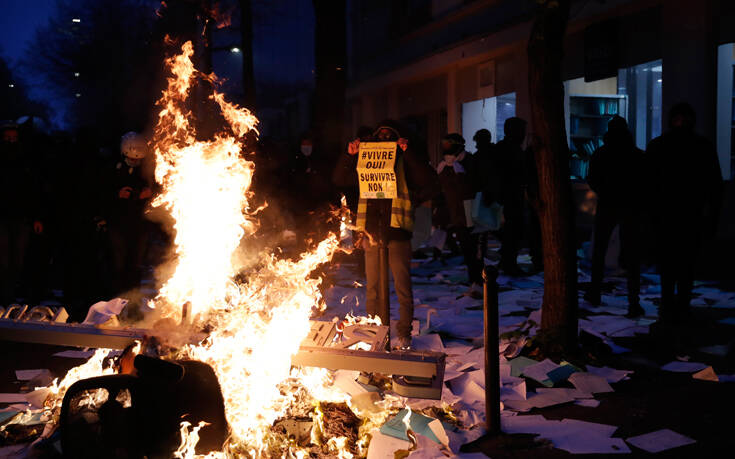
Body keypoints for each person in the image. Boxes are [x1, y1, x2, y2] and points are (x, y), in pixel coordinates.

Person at [333, 120, 438, 349]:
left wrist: (407, 153)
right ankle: (375, 332)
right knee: (373, 287)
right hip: (372, 232)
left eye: (389, 136)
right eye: (379, 136)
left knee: (402, 287)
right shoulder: (365, 161)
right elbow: (340, 179)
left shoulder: (404, 161)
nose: (383, 140)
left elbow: (428, 180)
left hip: (397, 231)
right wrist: (350, 155)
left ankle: (403, 334)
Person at [646, 103, 723, 323]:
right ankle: (682, 305)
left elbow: (648, 185)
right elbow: (714, 185)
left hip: (666, 216)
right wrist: (712, 218)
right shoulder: (702, 147)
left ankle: (669, 304)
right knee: (686, 265)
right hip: (691, 214)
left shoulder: (659, 146)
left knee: (668, 265)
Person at [585, 116, 644, 317]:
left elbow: (592, 179)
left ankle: (594, 292)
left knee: (599, 251)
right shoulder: (636, 155)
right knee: (632, 255)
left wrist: (605, 191)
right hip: (631, 206)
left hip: (608, 205)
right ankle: (633, 301)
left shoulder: (601, 154)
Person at [0, 122, 43, 305]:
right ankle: (4, 296)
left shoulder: (26, 161)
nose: (11, 142)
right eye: (7, 138)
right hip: (2, 217)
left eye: (14, 139)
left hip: (21, 217)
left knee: (17, 261)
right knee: (3, 260)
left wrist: (36, 217)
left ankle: (10, 295)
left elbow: (33, 191)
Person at [436, 133, 483, 295]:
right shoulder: (445, 165)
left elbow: (472, 187)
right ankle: (473, 279)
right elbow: (443, 191)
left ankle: (479, 279)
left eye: (449, 145)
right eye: (444, 145)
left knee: (475, 248)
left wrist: (460, 174)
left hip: (470, 211)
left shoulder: (468, 162)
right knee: (466, 248)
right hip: (455, 212)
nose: (446, 148)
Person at [107, 132, 153, 295]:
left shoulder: (147, 171)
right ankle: (115, 299)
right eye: (132, 159)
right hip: (118, 225)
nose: (134, 162)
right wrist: (117, 195)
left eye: (138, 160)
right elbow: (100, 192)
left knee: (135, 265)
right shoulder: (112, 169)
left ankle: (131, 302)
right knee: (117, 264)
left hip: (140, 226)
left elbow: (153, 191)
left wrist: (145, 195)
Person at [495, 117, 532, 275]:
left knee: (512, 233)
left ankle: (506, 261)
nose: (524, 135)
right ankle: (509, 264)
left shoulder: (503, 148)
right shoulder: (512, 150)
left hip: (507, 197)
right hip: (510, 198)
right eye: (522, 131)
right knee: (513, 232)